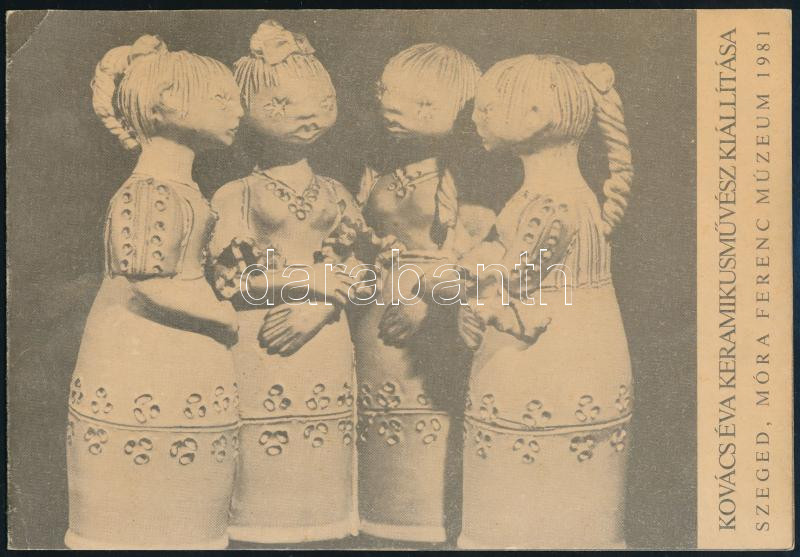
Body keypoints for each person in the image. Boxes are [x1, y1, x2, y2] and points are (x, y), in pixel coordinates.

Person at [66, 35, 244, 549]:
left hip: (181, 360)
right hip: (144, 356)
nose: (237, 112)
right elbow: (148, 280)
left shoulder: (180, 188)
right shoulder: (150, 190)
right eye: (222, 100)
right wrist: (222, 315)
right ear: (168, 103)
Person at [456, 54, 634, 549]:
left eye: (487, 108)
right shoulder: (559, 193)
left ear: (537, 117)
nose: (477, 118)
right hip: (570, 346)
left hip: (544, 356)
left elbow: (517, 276)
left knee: (538, 493)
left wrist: (462, 266)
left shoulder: (552, 200)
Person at [209, 20, 362, 544]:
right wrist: (313, 281)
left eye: (322, 102)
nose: (307, 115)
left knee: (324, 476)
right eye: (281, 104)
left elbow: (362, 267)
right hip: (261, 340)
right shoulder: (237, 194)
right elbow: (232, 281)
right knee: (263, 486)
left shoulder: (337, 192)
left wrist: (320, 307)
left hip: (325, 340)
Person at [352, 43, 491, 543]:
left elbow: (474, 263)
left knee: (428, 425)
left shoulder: (462, 185)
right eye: (390, 96)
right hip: (375, 315)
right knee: (377, 430)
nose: (396, 110)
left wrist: (428, 303)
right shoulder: (376, 174)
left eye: (423, 104)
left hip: (433, 322)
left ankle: (426, 529)